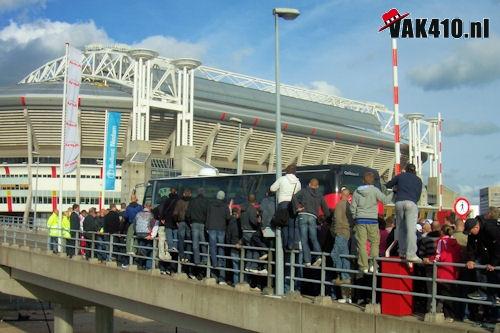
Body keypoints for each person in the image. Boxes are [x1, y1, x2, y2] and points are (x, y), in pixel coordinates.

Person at [350, 171, 392, 273]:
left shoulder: (356, 191)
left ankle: (363, 266)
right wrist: (393, 192)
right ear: (373, 181)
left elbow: (352, 208)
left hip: (360, 220)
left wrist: (356, 217)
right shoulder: (375, 191)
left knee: (362, 244)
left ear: (363, 180)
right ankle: (373, 265)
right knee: (374, 243)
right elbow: (386, 200)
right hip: (373, 220)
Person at [464, 211, 500, 316]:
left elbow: (498, 247)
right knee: (481, 268)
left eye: (470, 231)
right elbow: (470, 246)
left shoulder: (490, 229)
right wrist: (470, 259)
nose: (470, 234)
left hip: (495, 257)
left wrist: (493, 263)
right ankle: (483, 293)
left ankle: (488, 297)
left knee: (495, 280)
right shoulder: (473, 234)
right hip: (487, 256)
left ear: (476, 227)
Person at [385, 163, 423, 262]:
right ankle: (411, 254)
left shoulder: (400, 176)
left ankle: (401, 251)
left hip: (399, 202)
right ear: (414, 171)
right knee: (411, 230)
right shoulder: (419, 180)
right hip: (411, 203)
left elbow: (388, 185)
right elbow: (418, 197)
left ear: (405, 169)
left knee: (401, 228)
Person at [294, 178, 330, 267]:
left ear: (309, 184)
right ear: (317, 186)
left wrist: (297, 208)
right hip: (313, 217)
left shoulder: (304, 191)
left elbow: (294, 197)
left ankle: (307, 261)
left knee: (304, 239)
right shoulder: (320, 195)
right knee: (313, 238)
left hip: (303, 215)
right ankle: (318, 257)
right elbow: (326, 210)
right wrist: (325, 218)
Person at [433, 224, 462, 321]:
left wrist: (430, 259)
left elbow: (440, 256)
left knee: (444, 293)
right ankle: (454, 315)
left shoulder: (442, 241)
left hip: (443, 270)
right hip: (453, 271)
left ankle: (448, 315)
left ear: (442, 231)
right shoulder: (455, 242)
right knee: (452, 293)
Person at [270, 164, 301, 250]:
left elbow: (272, 188)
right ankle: (290, 244)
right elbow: (298, 193)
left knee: (284, 225)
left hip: (283, 204)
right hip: (293, 205)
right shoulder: (298, 182)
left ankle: (285, 246)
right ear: (295, 172)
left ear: (287, 171)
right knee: (291, 225)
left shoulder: (282, 179)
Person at [206, 190, 231, 284]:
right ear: (223, 197)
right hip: (221, 229)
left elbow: (208, 217)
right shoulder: (225, 206)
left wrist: (207, 227)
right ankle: (221, 271)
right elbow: (228, 217)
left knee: (212, 248)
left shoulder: (211, 205)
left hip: (212, 228)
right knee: (221, 248)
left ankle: (214, 264)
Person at [331, 188, 353, 285]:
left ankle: (342, 275)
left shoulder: (340, 204)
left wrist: (336, 231)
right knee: (344, 255)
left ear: (341, 195)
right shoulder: (349, 206)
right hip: (347, 232)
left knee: (334, 254)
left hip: (340, 232)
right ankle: (345, 276)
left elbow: (336, 219)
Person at [240, 194, 265, 275]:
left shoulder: (243, 209)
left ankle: (248, 266)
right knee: (255, 249)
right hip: (251, 231)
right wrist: (258, 220)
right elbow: (253, 221)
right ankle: (253, 266)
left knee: (249, 250)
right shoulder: (252, 209)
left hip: (244, 232)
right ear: (254, 201)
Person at [186, 188, 209, 265]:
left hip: (194, 223)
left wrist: (190, 222)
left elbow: (187, 214)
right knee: (203, 242)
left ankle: (196, 260)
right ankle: (205, 259)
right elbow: (208, 213)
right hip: (202, 224)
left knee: (195, 243)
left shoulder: (192, 201)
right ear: (203, 193)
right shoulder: (206, 201)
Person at [134, 202, 159, 270]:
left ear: (144, 207)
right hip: (147, 234)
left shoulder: (138, 214)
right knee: (150, 249)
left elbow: (134, 224)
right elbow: (153, 225)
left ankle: (140, 262)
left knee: (141, 246)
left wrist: (136, 232)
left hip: (138, 233)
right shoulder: (151, 215)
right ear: (150, 207)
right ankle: (146, 264)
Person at [173, 189, 192, 263]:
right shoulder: (191, 202)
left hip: (181, 222)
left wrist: (176, 221)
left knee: (181, 240)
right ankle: (188, 257)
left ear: (183, 194)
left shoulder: (179, 202)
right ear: (190, 194)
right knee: (189, 240)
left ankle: (182, 256)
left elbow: (175, 213)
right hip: (189, 223)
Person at [226, 207, 242, 286]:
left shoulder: (230, 223)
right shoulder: (240, 223)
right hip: (240, 246)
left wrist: (229, 245)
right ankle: (242, 282)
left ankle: (236, 283)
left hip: (232, 247)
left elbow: (228, 236)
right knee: (241, 265)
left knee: (235, 267)